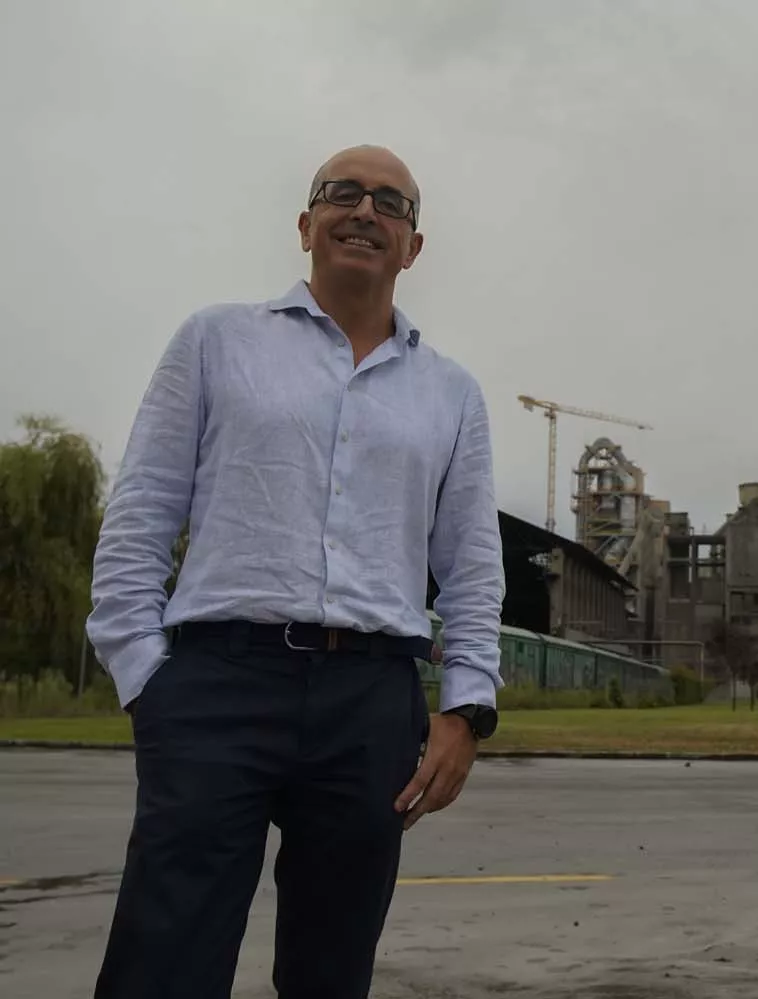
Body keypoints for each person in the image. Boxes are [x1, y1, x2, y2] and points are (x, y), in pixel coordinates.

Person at [85, 144, 505, 999]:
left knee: (331, 968)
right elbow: (140, 515)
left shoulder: (451, 393)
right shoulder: (216, 341)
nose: (365, 211)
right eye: (341, 193)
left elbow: (469, 562)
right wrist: (144, 676)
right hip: (216, 687)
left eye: (391, 203)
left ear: (413, 246)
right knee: (165, 955)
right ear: (305, 224)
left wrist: (466, 707)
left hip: (371, 701)